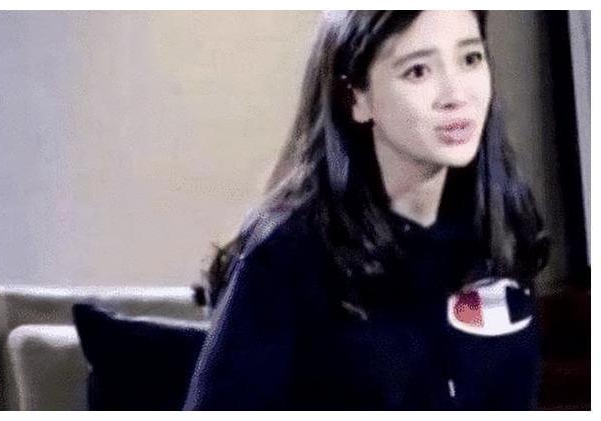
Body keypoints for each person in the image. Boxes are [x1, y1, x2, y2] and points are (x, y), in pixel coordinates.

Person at [184, 10, 550, 410]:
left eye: (470, 59)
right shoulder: (286, 255)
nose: (456, 95)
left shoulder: (499, 226)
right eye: (418, 71)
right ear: (355, 97)